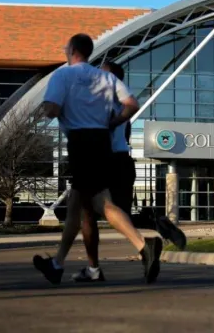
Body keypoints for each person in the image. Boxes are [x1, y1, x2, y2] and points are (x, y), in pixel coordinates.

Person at [33, 33, 163, 285]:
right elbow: (132, 104)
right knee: (76, 204)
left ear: (71, 50)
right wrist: (112, 121)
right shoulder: (106, 76)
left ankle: (143, 245)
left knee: (101, 202)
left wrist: (49, 109)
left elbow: (51, 110)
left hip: (81, 142)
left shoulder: (63, 75)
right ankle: (57, 264)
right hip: (102, 141)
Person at [72, 60, 186, 282]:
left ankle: (138, 250)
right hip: (123, 161)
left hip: (103, 160)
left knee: (89, 211)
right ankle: (154, 222)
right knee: (118, 214)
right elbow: (123, 135)